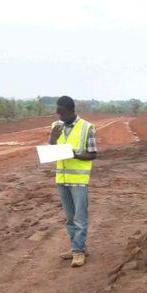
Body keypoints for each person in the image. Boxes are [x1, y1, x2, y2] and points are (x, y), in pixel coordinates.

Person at [49, 96, 97, 267]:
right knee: (70, 218)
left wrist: (74, 154)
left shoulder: (87, 127)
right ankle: (76, 247)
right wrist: (53, 140)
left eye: (61, 112)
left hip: (78, 180)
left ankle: (78, 252)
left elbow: (93, 154)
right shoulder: (56, 126)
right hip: (61, 179)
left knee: (80, 218)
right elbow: (52, 151)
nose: (58, 115)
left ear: (70, 110)